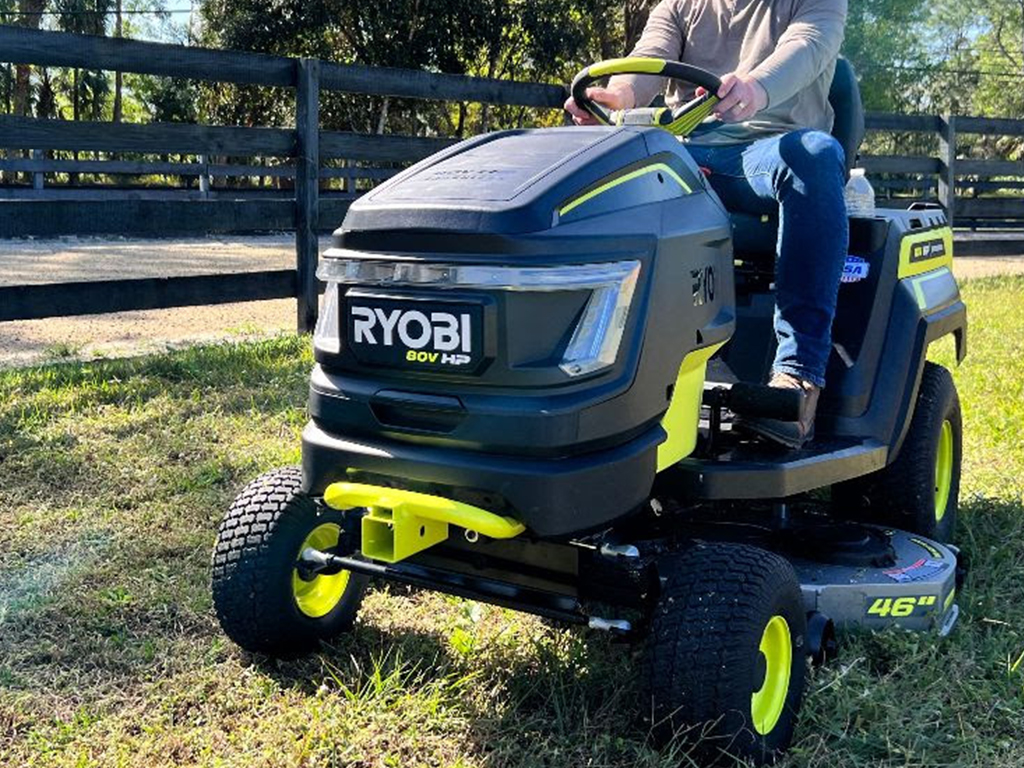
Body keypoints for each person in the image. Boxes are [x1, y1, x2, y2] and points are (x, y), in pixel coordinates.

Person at [566, 0, 849, 449]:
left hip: (770, 152)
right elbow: (651, 57)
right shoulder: (680, 6)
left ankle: (798, 376)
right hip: (688, 152)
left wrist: (756, 88)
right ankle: (593, 370)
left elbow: (808, 47)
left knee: (813, 155)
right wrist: (618, 96)